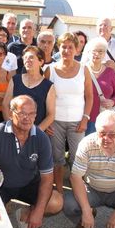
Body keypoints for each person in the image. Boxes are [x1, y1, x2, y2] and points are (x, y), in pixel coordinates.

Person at [0, 95, 63, 228]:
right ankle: (3, 208)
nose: (27, 118)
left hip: (28, 183)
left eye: (31, 114)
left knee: (56, 202)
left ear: (36, 115)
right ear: (12, 113)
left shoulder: (41, 138)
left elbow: (47, 178)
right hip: (1, 185)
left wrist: (38, 211)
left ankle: (25, 213)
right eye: (22, 113)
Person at [44, 32, 93, 194]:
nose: (66, 50)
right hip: (55, 122)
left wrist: (85, 118)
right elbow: (43, 97)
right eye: (63, 46)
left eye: (70, 47)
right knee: (57, 159)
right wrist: (47, 121)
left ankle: (77, 190)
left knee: (77, 158)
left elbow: (89, 96)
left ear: (76, 49)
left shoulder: (83, 69)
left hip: (77, 122)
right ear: (59, 47)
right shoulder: (49, 70)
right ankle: (59, 191)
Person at [2, 46, 55, 135]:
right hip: (15, 132)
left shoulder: (48, 86)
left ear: (41, 62)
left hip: (37, 134)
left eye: (31, 57)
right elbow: (5, 105)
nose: (27, 60)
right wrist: (12, 128)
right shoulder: (15, 80)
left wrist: (36, 132)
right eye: (25, 58)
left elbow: (51, 115)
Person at [82, 18, 115, 113]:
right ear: (96, 28)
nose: (102, 27)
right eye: (100, 25)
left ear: (111, 28)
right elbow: (83, 64)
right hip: (92, 82)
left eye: (105, 25)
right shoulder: (90, 45)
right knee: (91, 112)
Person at [85, 37, 115, 135]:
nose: (97, 54)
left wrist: (113, 101)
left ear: (105, 54)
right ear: (88, 52)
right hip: (86, 118)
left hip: (105, 120)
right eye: (94, 51)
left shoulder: (110, 72)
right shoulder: (82, 70)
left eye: (101, 51)